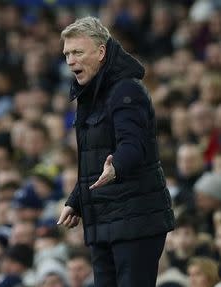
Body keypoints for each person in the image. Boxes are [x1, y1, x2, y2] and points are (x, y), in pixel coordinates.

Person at [56, 17, 175, 287]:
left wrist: (117, 166)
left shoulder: (126, 90)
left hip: (136, 219)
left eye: (77, 52)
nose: (70, 61)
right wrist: (76, 199)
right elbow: (94, 160)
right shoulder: (91, 95)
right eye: (66, 54)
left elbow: (133, 146)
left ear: (100, 52)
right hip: (103, 218)